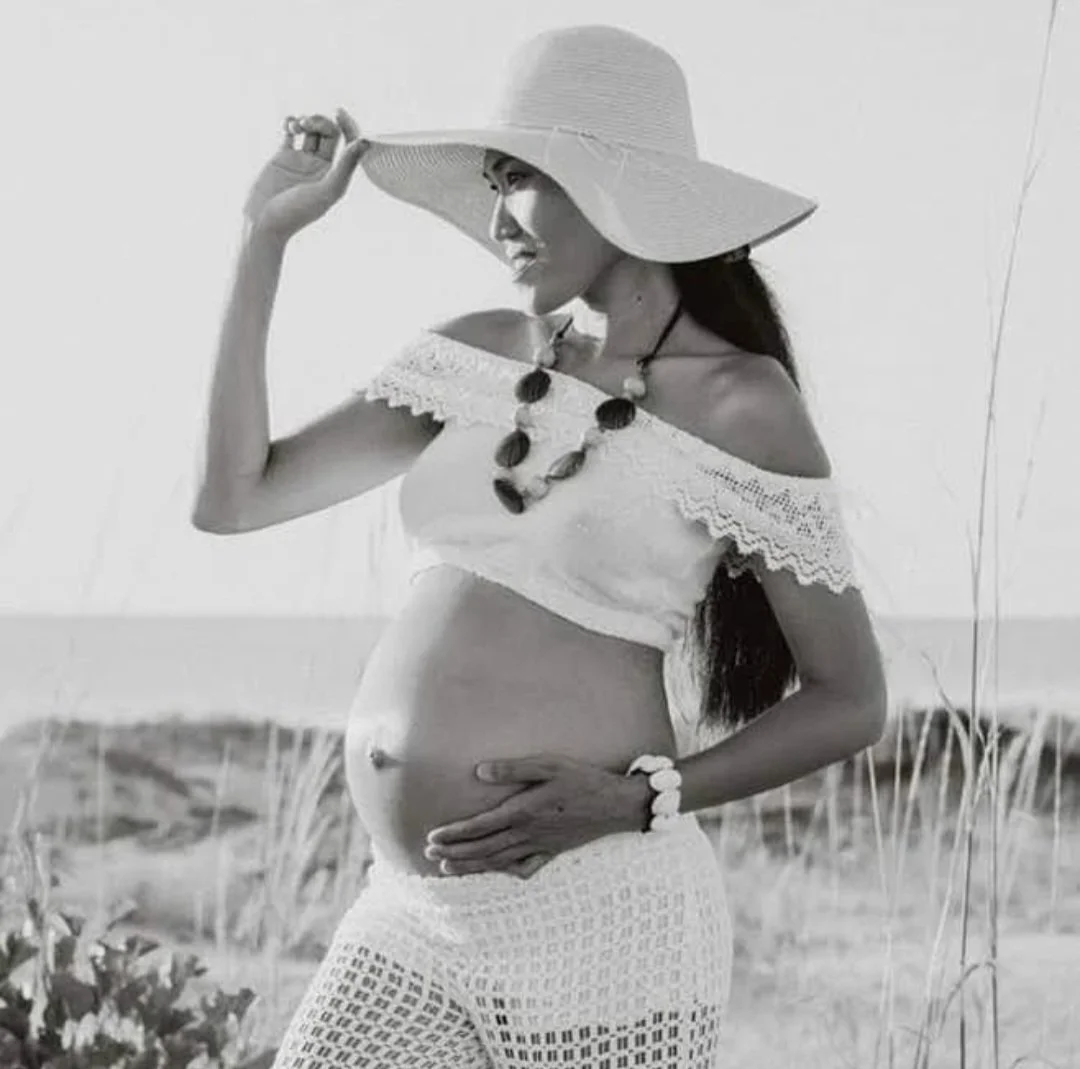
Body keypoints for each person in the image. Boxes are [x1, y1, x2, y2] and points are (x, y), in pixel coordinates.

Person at [193, 23, 888, 1069]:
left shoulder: (746, 405)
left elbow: (850, 697)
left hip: (603, 916)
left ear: (614, 183)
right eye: (492, 180)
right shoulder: (479, 353)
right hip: (413, 913)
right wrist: (264, 240)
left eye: (521, 179)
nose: (497, 216)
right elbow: (234, 497)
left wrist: (643, 795)